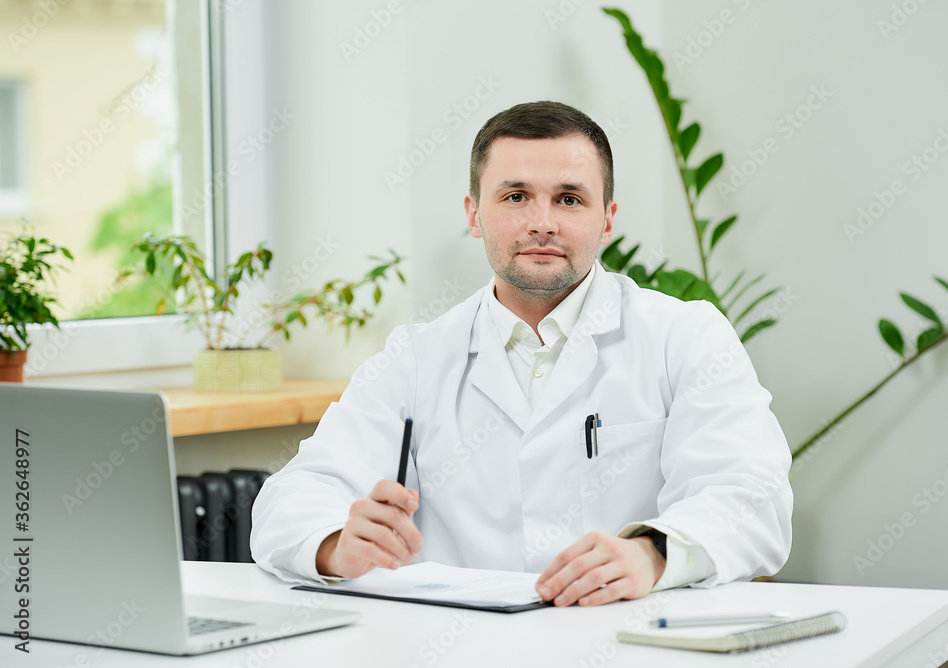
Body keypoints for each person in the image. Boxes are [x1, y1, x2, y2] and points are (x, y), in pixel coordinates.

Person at [251, 101, 792, 607]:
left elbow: (752, 497)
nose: (542, 223)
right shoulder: (416, 357)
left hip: (630, 642)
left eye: (569, 198)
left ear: (607, 218)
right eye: (515, 196)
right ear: (473, 214)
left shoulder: (685, 336)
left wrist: (649, 552)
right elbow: (294, 496)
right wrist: (334, 544)